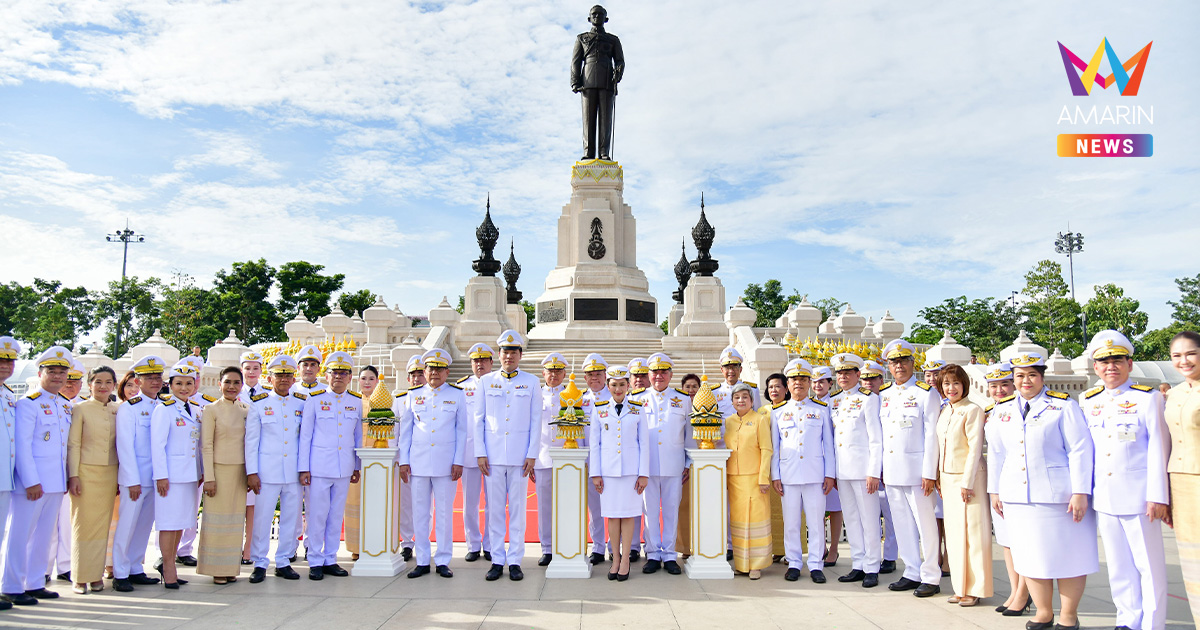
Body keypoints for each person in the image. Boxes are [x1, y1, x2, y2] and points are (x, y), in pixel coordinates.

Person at [989, 352, 1097, 630]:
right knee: (1029, 556)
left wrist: (1081, 491)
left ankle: (1069, 616)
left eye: (1032, 375)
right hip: (1017, 496)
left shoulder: (1062, 406)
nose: (1026, 381)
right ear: (1013, 380)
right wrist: (995, 491)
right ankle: (1043, 612)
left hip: (1059, 496)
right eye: (1020, 376)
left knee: (1069, 556)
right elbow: (997, 454)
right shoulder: (1002, 409)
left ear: (1042, 377)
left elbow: (1080, 450)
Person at [1083, 330, 1170, 630]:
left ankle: (1153, 624)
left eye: (1117, 360)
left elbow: (1159, 448)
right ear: (1095, 367)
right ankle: (1127, 619)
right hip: (1105, 497)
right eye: (1104, 361)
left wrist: (1158, 496)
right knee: (1119, 566)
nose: (1111, 367)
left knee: (1149, 566)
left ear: (1129, 364)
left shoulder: (1148, 399)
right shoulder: (1088, 400)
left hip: (1140, 498)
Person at [3, 346, 74, 605]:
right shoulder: (28, 404)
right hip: (32, 484)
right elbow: (22, 445)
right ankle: (11, 585)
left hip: (55, 482)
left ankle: (34, 582)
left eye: (62, 372)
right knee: (21, 535)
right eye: (52, 371)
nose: (57, 376)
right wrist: (31, 480)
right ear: (40, 372)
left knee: (44, 537)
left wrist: (66, 478)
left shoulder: (65, 406)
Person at [474, 330, 542, 581]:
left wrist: (532, 454)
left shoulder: (532, 381)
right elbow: (478, 419)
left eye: (514, 351)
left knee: (517, 510)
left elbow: (536, 421)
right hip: (492, 456)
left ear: (520, 355)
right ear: (499, 354)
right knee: (494, 510)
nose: (509, 356)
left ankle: (514, 560)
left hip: (519, 456)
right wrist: (480, 452)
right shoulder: (486, 381)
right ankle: (496, 559)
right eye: (505, 351)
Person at [879, 339, 942, 597]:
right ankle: (911, 571)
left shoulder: (926, 393)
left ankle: (931, 576)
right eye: (894, 362)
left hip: (918, 473)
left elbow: (932, 436)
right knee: (902, 523)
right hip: (893, 471)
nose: (899, 366)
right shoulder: (884, 395)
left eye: (904, 361)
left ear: (912, 364)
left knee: (925, 524)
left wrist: (929, 473)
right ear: (889, 367)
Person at [397, 349, 462, 579]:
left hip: (446, 465)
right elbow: (406, 432)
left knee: (444, 513)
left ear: (446, 372)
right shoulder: (413, 395)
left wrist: (459, 460)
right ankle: (423, 560)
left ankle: (443, 559)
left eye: (439, 369)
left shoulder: (457, 395)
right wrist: (404, 461)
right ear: (424, 372)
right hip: (419, 463)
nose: (434, 373)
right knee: (420, 513)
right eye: (430, 369)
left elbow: (462, 431)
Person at [300, 351, 362, 580]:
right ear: (326, 375)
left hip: (344, 468)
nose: (339, 377)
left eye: (343, 373)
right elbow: (305, 436)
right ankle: (315, 559)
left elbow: (357, 437)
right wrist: (303, 468)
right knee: (317, 515)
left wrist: (356, 466)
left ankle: (331, 558)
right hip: (318, 467)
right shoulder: (315, 399)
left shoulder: (355, 401)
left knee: (336, 515)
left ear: (350, 377)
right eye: (335, 372)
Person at [770, 360, 833, 583]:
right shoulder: (778, 411)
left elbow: (829, 445)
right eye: (795, 380)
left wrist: (830, 474)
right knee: (791, 522)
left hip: (815, 474)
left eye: (803, 379)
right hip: (788, 474)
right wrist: (775, 475)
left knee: (816, 522)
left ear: (809, 383)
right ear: (788, 384)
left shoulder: (821, 409)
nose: (799, 383)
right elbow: (774, 447)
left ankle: (816, 564)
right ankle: (794, 562)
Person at [935, 364, 992, 607]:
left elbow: (974, 449)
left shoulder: (972, 410)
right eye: (946, 383)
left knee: (973, 535)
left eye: (956, 383)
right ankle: (960, 587)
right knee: (956, 536)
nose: (951, 388)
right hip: (948, 479)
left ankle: (975, 588)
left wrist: (967, 483)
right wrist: (938, 476)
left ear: (964, 385)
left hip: (968, 480)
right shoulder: (946, 411)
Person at [244, 354, 305, 583]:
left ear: (293, 378)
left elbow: (304, 439)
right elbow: (251, 442)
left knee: (291, 518)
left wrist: (304, 468)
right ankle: (259, 562)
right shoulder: (259, 403)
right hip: (266, 472)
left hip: (293, 472)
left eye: (288, 375)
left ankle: (283, 561)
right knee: (262, 518)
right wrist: (252, 472)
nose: (284, 380)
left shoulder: (301, 402)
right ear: (270, 378)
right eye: (279, 375)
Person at [828, 353, 883, 588]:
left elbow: (875, 439)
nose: (843, 376)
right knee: (851, 519)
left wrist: (873, 472)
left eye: (848, 373)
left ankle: (872, 566)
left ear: (858, 375)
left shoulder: (869, 399)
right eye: (839, 373)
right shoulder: (834, 400)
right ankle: (858, 564)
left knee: (869, 520)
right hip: (843, 471)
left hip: (863, 471)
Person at [111, 356, 166, 592]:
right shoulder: (129, 408)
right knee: (127, 526)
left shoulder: (165, 406)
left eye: (158, 377)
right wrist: (131, 480)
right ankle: (119, 573)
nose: (155, 382)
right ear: (137, 380)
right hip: (136, 479)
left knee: (144, 526)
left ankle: (135, 568)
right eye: (149, 378)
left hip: (157, 479)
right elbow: (125, 447)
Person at [589, 366, 649, 581]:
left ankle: (625, 561)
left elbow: (644, 443)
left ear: (629, 385)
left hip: (631, 472)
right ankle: (615, 558)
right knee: (612, 517)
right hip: (608, 472)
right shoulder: (599, 408)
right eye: (613, 384)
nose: (618, 388)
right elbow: (594, 444)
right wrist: (595, 473)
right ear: (608, 386)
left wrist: (644, 473)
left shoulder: (637, 408)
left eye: (622, 384)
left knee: (629, 515)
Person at [150, 362, 205, 589]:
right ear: (170, 385)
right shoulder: (164, 409)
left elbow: (198, 444)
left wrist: (200, 471)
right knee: (168, 523)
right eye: (179, 383)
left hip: (189, 476)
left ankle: (171, 563)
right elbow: (157, 445)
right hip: (171, 477)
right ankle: (168, 567)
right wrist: (161, 476)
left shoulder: (194, 408)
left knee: (181, 523)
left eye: (188, 383)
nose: (184, 388)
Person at [66, 366, 120, 594]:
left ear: (114, 385)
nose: (103, 386)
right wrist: (74, 475)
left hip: (110, 473)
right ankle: (79, 577)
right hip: (86, 473)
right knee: (83, 525)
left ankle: (96, 575)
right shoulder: (80, 409)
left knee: (103, 526)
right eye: (98, 382)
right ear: (90, 384)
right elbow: (74, 444)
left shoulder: (119, 409)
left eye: (108, 382)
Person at [983, 361, 1030, 616]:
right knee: (1007, 542)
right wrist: (993, 490)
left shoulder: (1023, 409)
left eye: (1004, 384)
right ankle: (1015, 590)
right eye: (994, 385)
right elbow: (994, 455)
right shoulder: (992, 410)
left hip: (1017, 484)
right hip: (999, 484)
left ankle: (1023, 593)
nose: (999, 390)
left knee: (1020, 541)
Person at [197, 367, 249, 584]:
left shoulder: (246, 410)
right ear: (220, 384)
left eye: (236, 383)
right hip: (218, 470)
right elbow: (206, 446)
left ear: (242, 386)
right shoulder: (211, 410)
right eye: (227, 382)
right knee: (216, 520)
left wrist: (249, 473)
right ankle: (216, 568)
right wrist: (209, 476)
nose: (231, 387)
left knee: (235, 521)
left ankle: (230, 567)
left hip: (239, 471)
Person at [639, 352, 688, 575]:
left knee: (671, 510)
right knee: (649, 511)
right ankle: (651, 553)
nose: (659, 376)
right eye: (655, 372)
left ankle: (669, 554)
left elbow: (689, 434)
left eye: (663, 372)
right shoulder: (637, 398)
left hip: (673, 464)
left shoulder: (683, 399)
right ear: (649, 374)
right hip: (646, 466)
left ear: (670, 375)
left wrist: (687, 463)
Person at [1167, 330, 1200, 626]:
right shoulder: (1174, 393)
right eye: (1177, 355)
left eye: (1190, 353)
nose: (1184, 360)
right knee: (1192, 564)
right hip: (1179, 483)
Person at [727, 381, 773, 579]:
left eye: (745, 397)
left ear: (752, 400)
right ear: (732, 401)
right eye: (737, 398)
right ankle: (741, 563)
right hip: (734, 479)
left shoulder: (759, 420)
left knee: (755, 521)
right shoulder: (728, 422)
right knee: (738, 522)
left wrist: (764, 477)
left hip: (755, 479)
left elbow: (766, 449)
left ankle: (756, 565)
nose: (741, 400)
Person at [47, 359, 85, 583]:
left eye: (75, 381)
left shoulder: (82, 406)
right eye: (67, 381)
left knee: (69, 522)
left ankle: (66, 566)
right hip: (52, 472)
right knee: (49, 525)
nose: (70, 386)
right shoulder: (49, 403)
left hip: (76, 473)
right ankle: (43, 569)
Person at [570, 4, 624, 161]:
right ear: (589, 18)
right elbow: (576, 62)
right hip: (587, 80)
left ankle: (603, 152)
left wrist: (618, 71)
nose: (597, 16)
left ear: (605, 19)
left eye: (600, 14)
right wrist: (575, 81)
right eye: (594, 14)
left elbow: (620, 60)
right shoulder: (582, 38)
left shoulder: (613, 40)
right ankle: (588, 152)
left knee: (606, 119)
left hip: (607, 79)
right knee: (588, 118)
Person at [456, 344, 494, 563]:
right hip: (470, 453)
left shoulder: (498, 383)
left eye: (483, 361)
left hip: (493, 452)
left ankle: (489, 544)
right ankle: (472, 543)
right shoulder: (461, 387)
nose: (479, 365)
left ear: (491, 362)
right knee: (470, 503)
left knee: (493, 503)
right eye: (475, 361)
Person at [861, 359, 898, 574]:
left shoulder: (887, 399)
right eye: (864, 378)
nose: (867, 382)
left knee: (890, 515)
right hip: (866, 469)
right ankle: (868, 555)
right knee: (867, 516)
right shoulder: (859, 401)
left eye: (872, 378)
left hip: (889, 467)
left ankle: (890, 556)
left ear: (880, 380)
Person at [534, 352, 569, 566]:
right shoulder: (535, 395)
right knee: (545, 507)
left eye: (558, 371)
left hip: (568, 460)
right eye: (550, 371)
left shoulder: (575, 396)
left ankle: (567, 545)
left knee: (568, 505)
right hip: (543, 458)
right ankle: (547, 548)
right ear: (543, 373)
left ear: (564, 373)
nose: (554, 375)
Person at [345, 364, 379, 562]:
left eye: (371, 379)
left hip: (377, 461)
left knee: (376, 503)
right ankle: (356, 546)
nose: (367, 382)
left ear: (377, 381)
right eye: (364, 378)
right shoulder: (351, 401)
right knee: (354, 503)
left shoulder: (384, 402)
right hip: (354, 461)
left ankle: (376, 543)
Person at [810, 365, 843, 568]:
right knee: (817, 509)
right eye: (814, 382)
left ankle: (834, 549)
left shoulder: (838, 402)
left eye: (822, 381)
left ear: (830, 383)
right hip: (814, 463)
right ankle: (820, 546)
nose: (817, 385)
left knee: (834, 508)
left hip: (834, 462)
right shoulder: (809, 404)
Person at [580, 353, 610, 564]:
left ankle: (628, 547)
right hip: (590, 462)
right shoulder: (577, 399)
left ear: (605, 375)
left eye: (598, 374)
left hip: (614, 461)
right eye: (590, 375)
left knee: (620, 507)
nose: (594, 378)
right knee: (595, 509)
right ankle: (598, 547)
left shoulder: (617, 396)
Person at [395, 353, 425, 562]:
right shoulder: (398, 401)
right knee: (406, 504)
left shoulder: (435, 398)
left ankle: (425, 541)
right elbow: (396, 434)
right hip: (405, 460)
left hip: (425, 459)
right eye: (413, 374)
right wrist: (400, 459)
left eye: (420, 374)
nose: (416, 378)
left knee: (426, 506)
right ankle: (407, 542)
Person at [236, 351, 264, 567]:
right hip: (236, 456)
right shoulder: (233, 394)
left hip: (259, 457)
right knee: (237, 505)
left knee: (254, 507)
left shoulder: (267, 395)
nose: (251, 372)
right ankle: (233, 547)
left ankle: (249, 550)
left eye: (255, 368)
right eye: (248, 368)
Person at [761, 373, 790, 564]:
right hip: (768, 465)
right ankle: (774, 549)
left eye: (778, 386)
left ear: (786, 389)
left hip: (788, 464)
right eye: (771, 387)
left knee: (790, 511)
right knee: (770, 510)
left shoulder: (791, 408)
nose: (774, 390)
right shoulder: (762, 411)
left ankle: (790, 551)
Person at [676, 373, 701, 558]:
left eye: (695, 387)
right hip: (683, 465)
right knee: (682, 507)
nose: (691, 390)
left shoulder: (706, 408)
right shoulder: (679, 408)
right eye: (688, 387)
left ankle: (702, 545)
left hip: (703, 464)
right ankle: (684, 547)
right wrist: (685, 464)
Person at [0, 337, 17, 610]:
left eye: (10, 361)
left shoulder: (8, 395)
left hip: (5, 478)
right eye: (1, 361)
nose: (6, 366)